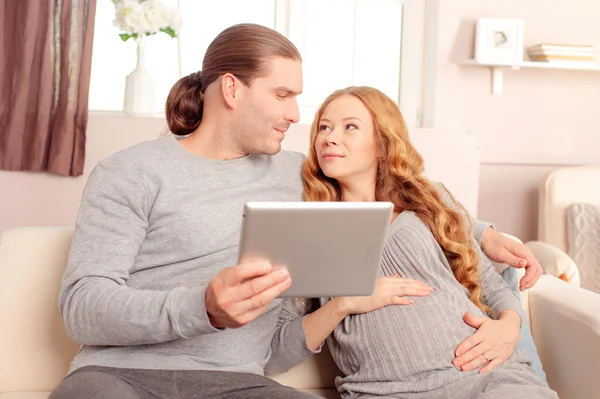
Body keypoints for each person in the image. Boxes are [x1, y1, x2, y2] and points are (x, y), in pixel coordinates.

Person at [49, 22, 544, 398]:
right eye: (283, 95)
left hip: (239, 385)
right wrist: (202, 307)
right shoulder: (129, 172)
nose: (296, 116)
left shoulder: (301, 177)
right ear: (231, 89)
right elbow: (83, 307)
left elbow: (392, 193)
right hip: (120, 379)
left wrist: (481, 231)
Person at [264, 86, 557, 399]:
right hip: (386, 392)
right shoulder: (309, 227)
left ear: (382, 144)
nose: (330, 137)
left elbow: (492, 286)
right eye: (324, 127)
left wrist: (509, 327)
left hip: (486, 376)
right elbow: (275, 354)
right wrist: (344, 303)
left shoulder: (429, 200)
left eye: (350, 126)